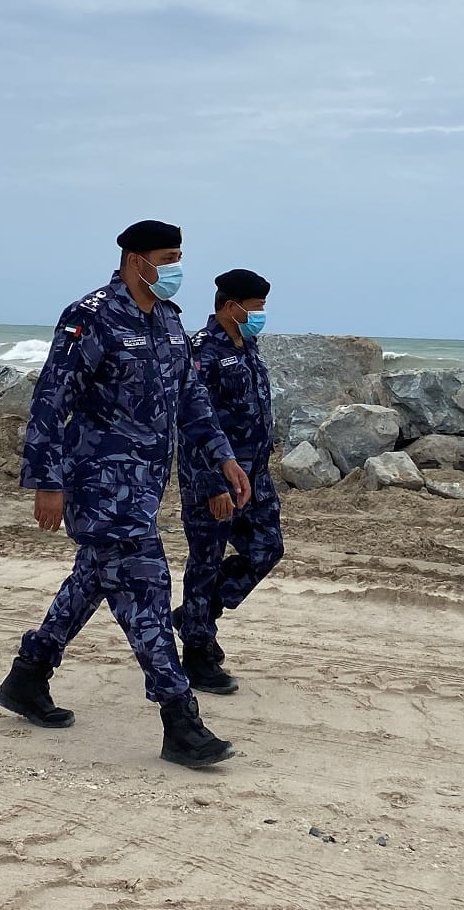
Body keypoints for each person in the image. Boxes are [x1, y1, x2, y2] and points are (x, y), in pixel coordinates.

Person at [0, 220, 252, 768]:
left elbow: (190, 400)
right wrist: (47, 482)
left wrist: (223, 456)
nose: (176, 268)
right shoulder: (90, 316)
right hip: (98, 487)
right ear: (137, 260)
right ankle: (180, 720)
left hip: (143, 489)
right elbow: (50, 400)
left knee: (92, 580)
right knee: (148, 590)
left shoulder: (167, 321)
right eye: (168, 257)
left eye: (180, 256)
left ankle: (27, 676)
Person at [174, 269, 284, 694]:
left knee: (267, 547)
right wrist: (212, 484)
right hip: (215, 477)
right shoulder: (202, 350)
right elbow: (192, 422)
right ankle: (197, 653)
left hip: (254, 475)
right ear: (229, 307)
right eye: (254, 309)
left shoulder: (248, 344)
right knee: (205, 560)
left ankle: (194, 617)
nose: (259, 316)